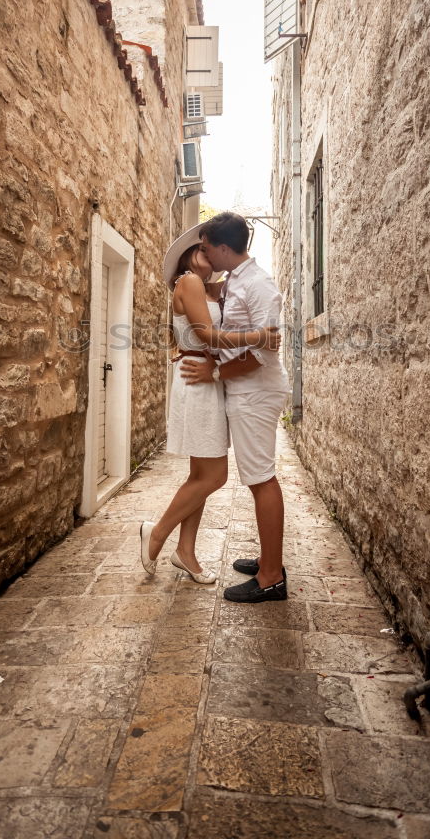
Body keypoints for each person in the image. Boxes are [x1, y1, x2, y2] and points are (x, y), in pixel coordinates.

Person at [139, 223, 281, 583]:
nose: (205, 253)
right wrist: (260, 336)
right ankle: (156, 533)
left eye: (207, 249)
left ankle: (185, 552)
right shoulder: (187, 281)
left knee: (200, 475)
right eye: (199, 249)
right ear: (188, 258)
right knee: (214, 475)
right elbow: (206, 335)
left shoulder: (214, 287)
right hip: (197, 379)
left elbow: (242, 285)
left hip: (209, 378)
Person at [180, 211, 290, 603]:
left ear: (225, 248)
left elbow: (264, 353)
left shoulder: (259, 285)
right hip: (243, 391)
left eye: (208, 246)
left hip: (256, 392)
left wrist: (214, 372)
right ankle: (268, 558)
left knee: (261, 478)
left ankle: (271, 577)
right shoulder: (234, 281)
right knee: (256, 477)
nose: (204, 252)